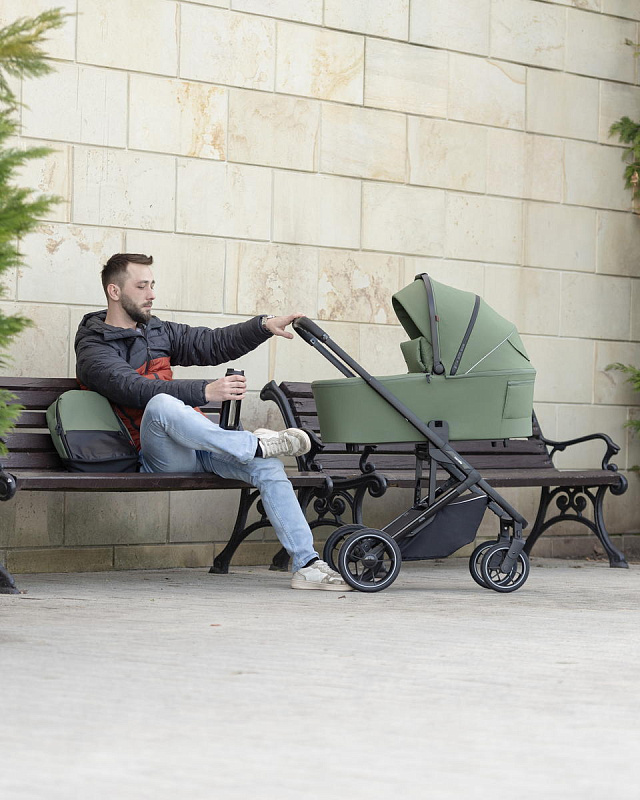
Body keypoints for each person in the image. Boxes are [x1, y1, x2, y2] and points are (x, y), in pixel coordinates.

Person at [75, 253, 352, 592]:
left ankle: (307, 564)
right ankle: (254, 444)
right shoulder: (93, 345)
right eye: (142, 286)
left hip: (201, 444)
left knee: (268, 467)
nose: (151, 294)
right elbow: (131, 387)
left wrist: (263, 326)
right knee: (160, 403)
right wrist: (205, 391)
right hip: (154, 455)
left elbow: (211, 343)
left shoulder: (157, 331)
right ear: (115, 291)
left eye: (152, 285)